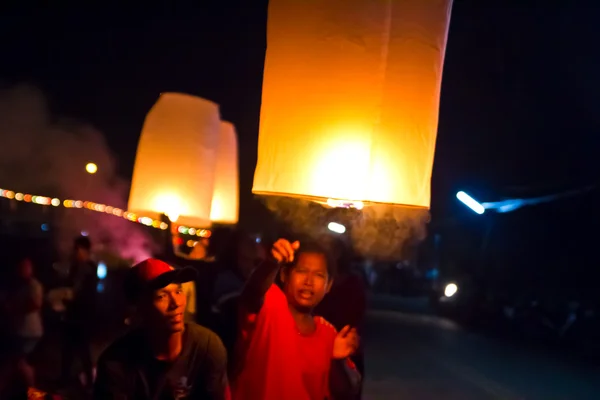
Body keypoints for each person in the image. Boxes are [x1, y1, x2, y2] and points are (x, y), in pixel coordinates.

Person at [232, 238, 361, 400]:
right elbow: (252, 293)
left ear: (328, 285)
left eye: (319, 275)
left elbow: (347, 391)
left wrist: (339, 361)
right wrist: (272, 262)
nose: (309, 282)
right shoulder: (271, 304)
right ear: (284, 274)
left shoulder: (328, 334)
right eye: (301, 271)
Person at [94, 258, 229, 399]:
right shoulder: (115, 364)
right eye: (162, 296)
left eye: (178, 291)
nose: (176, 303)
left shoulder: (206, 346)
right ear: (140, 307)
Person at [61, 235, 97, 390]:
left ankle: (88, 384)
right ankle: (66, 380)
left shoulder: (88, 268)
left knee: (81, 351)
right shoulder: (76, 267)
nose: (74, 252)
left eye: (76, 249)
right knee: (70, 350)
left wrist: (71, 299)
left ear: (83, 250)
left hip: (82, 316)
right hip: (74, 315)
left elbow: (86, 294)